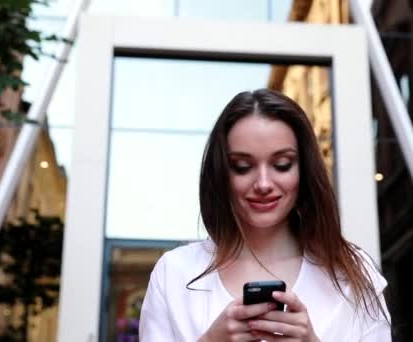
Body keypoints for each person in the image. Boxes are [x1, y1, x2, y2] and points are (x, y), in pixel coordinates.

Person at [139, 89, 391, 341]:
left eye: (282, 165)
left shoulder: (352, 272)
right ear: (221, 173)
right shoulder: (174, 274)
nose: (263, 183)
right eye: (243, 167)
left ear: (304, 170)